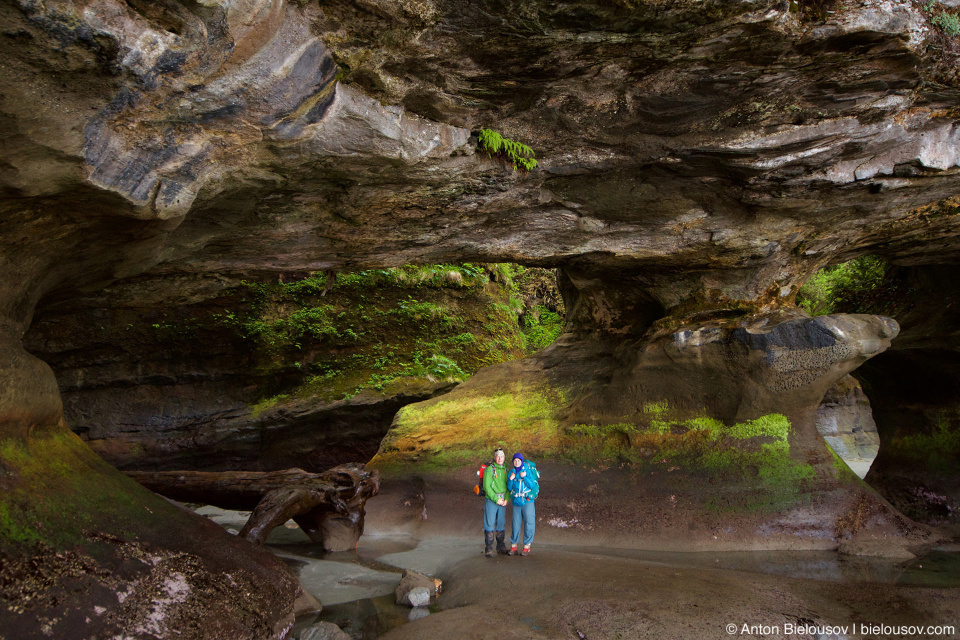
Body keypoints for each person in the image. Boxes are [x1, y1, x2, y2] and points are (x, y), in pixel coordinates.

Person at [507, 452, 539, 556]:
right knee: (515, 524)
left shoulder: (527, 470)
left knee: (529, 522)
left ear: (521, 461)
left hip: (527, 500)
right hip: (516, 501)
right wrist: (511, 479)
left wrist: (525, 477)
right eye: (515, 461)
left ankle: (527, 546)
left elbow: (532, 485)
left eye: (518, 461)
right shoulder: (511, 472)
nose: (516, 462)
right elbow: (509, 488)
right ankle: (514, 546)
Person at [482, 447, 509, 557]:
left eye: (502, 456)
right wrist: (496, 499)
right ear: (495, 458)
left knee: (501, 523)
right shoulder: (489, 469)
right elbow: (486, 487)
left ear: (504, 458)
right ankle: (488, 547)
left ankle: (500, 546)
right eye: (498, 456)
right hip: (492, 500)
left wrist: (506, 498)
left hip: (502, 500)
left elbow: (508, 485)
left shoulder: (506, 469)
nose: (500, 458)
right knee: (489, 522)